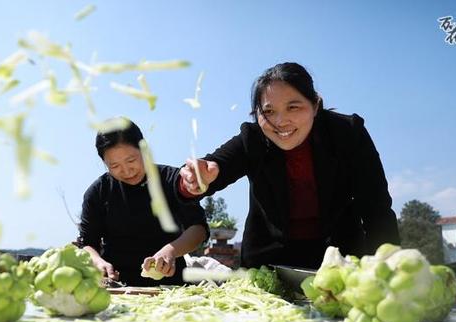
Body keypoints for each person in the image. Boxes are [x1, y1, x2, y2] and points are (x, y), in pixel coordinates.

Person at [177, 62, 399, 269]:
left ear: (315, 105)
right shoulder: (252, 139)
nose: (281, 122)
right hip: (270, 265)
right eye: (269, 111)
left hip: (340, 262)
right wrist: (195, 180)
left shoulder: (347, 133)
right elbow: (210, 171)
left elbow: (376, 208)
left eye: (293, 107)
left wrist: (387, 266)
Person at [78, 118, 209, 286]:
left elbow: (198, 229)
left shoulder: (172, 181)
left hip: (171, 286)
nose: (126, 171)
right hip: (117, 286)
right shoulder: (98, 192)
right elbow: (88, 242)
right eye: (114, 165)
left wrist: (170, 251)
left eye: (131, 160)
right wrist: (97, 261)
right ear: (104, 163)